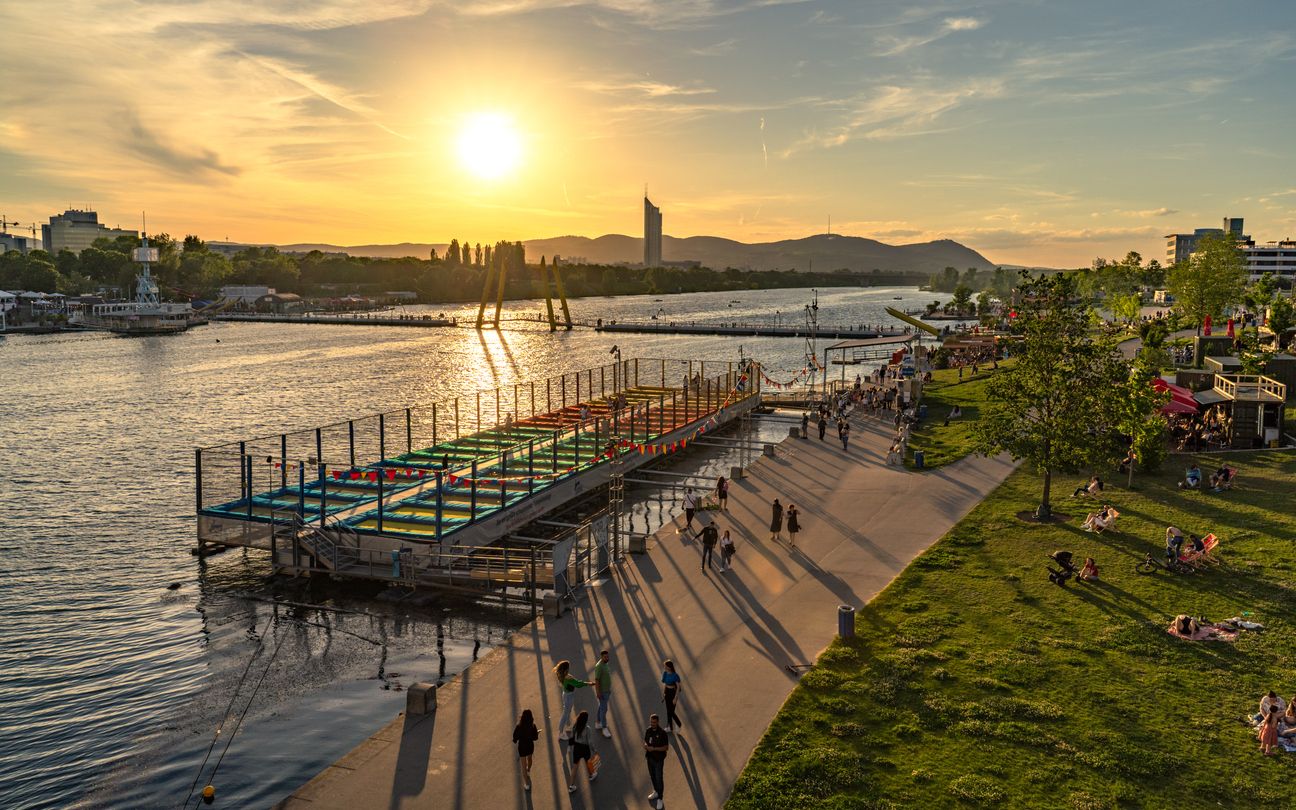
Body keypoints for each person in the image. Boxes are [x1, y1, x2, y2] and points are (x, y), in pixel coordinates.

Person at [553, 660, 588, 739]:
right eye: (568, 668)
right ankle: (561, 732)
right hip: (568, 697)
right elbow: (578, 684)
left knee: (567, 712)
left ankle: (567, 727)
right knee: (565, 714)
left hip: (566, 694)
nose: (569, 669)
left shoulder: (563, 675)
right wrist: (587, 683)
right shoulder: (568, 678)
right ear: (566, 669)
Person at [566, 710, 599, 792]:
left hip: (576, 748)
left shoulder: (575, 726)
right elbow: (590, 742)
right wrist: (594, 750)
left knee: (575, 767)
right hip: (585, 748)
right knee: (588, 762)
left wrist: (569, 747)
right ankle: (591, 775)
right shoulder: (587, 729)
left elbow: (571, 737)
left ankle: (571, 786)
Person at [643, 714, 669, 809]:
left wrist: (653, 748)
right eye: (651, 722)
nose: (652, 724)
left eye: (654, 722)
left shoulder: (662, 733)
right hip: (650, 758)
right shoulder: (648, 730)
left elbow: (666, 747)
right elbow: (645, 741)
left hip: (658, 760)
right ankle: (656, 792)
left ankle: (660, 799)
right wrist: (646, 746)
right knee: (652, 776)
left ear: (657, 722)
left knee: (659, 778)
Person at [513, 709, 540, 791]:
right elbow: (535, 738)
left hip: (522, 747)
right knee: (530, 759)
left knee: (523, 766)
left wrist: (515, 739)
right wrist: (536, 733)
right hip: (530, 746)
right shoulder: (533, 726)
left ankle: (526, 784)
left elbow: (515, 737)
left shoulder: (519, 726)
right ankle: (529, 770)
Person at [592, 649, 613, 738]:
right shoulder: (599, 666)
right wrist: (598, 692)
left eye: (608, 656)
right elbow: (596, 680)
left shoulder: (605, 664)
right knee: (604, 709)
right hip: (602, 692)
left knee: (601, 707)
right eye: (605, 657)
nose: (607, 658)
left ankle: (598, 722)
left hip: (607, 691)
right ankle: (604, 728)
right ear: (601, 657)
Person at [661, 661, 683, 733]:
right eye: (664, 666)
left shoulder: (675, 675)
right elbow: (665, 684)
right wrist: (664, 694)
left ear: (669, 667)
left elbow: (678, 686)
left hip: (673, 693)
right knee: (668, 711)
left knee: (671, 711)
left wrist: (675, 698)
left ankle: (679, 724)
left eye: (665, 666)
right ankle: (670, 727)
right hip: (667, 692)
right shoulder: (665, 674)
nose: (664, 667)